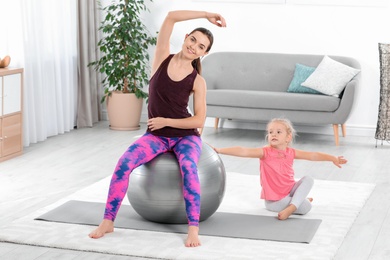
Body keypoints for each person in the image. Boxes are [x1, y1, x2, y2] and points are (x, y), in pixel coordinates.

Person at [88, 10, 226, 247]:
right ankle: (108, 221)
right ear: (185, 38)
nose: (194, 46)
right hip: (156, 136)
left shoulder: (197, 81)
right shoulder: (162, 57)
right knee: (123, 164)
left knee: (189, 168)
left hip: (185, 137)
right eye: (192, 40)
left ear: (204, 54)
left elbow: (199, 121)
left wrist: (167, 122)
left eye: (201, 46)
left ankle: (193, 229)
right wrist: (206, 15)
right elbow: (171, 17)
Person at [212, 118, 347, 220]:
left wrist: (332, 158)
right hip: (275, 201)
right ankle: (297, 203)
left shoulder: (291, 152)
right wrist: (219, 150)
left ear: (288, 137)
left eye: (278, 132)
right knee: (306, 207)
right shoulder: (265, 152)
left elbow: (313, 155)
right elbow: (244, 151)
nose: (273, 135)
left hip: (289, 191)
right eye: (270, 132)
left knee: (309, 180)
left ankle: (294, 204)